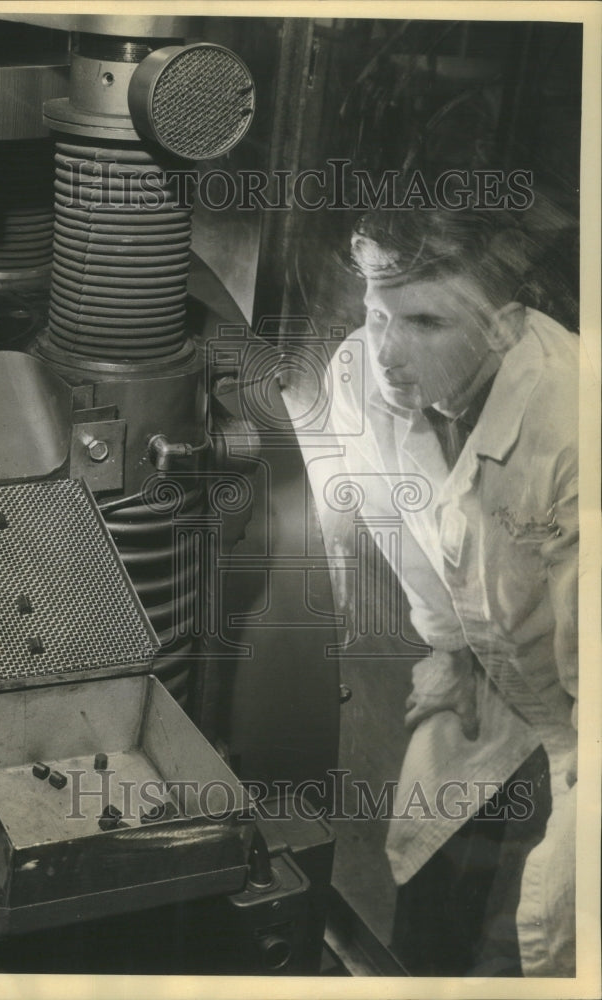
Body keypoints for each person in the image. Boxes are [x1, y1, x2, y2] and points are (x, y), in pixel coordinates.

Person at [324, 209, 578, 976]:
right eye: (376, 312)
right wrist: (446, 645)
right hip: (493, 646)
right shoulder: (358, 375)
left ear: (501, 328)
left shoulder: (575, 427)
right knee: (437, 829)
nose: (387, 352)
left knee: (559, 923)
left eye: (427, 321)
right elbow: (389, 517)